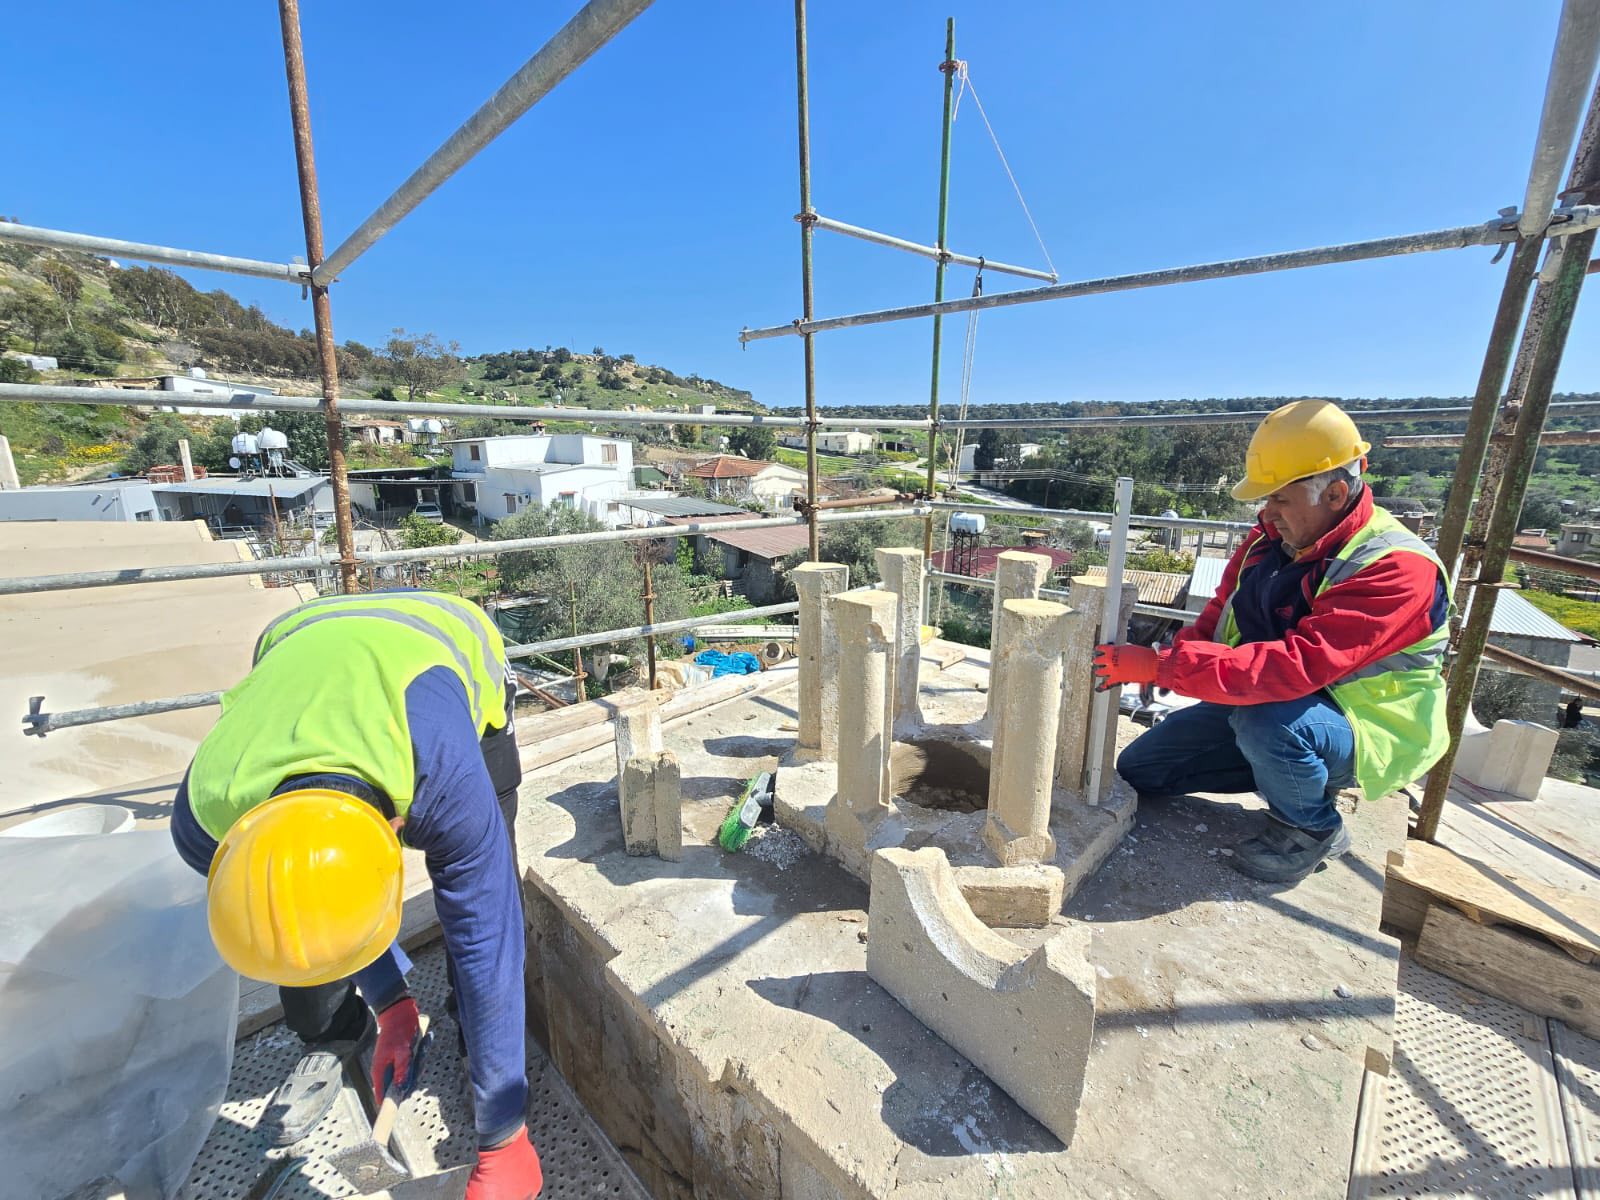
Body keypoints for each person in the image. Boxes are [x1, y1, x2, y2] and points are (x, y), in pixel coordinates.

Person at [170, 590, 542, 1200]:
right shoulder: (205, 823)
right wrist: (390, 1002)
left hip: (442, 634)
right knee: (290, 924)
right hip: (299, 635)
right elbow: (315, 918)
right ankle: (363, 1034)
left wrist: (504, 1134)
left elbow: (487, 934)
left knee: (489, 869)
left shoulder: (444, 780)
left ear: (396, 833)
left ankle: (475, 1034)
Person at [1094, 400, 1450, 883]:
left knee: (1270, 724)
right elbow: (1219, 617)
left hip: (1362, 726)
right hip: (1273, 703)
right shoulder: (1267, 542)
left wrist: (1157, 668)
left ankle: (1312, 826)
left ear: (1335, 493)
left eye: (1280, 498)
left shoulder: (1396, 567)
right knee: (1144, 770)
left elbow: (1296, 667)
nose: (1269, 512)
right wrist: (1173, 657)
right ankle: (1284, 769)